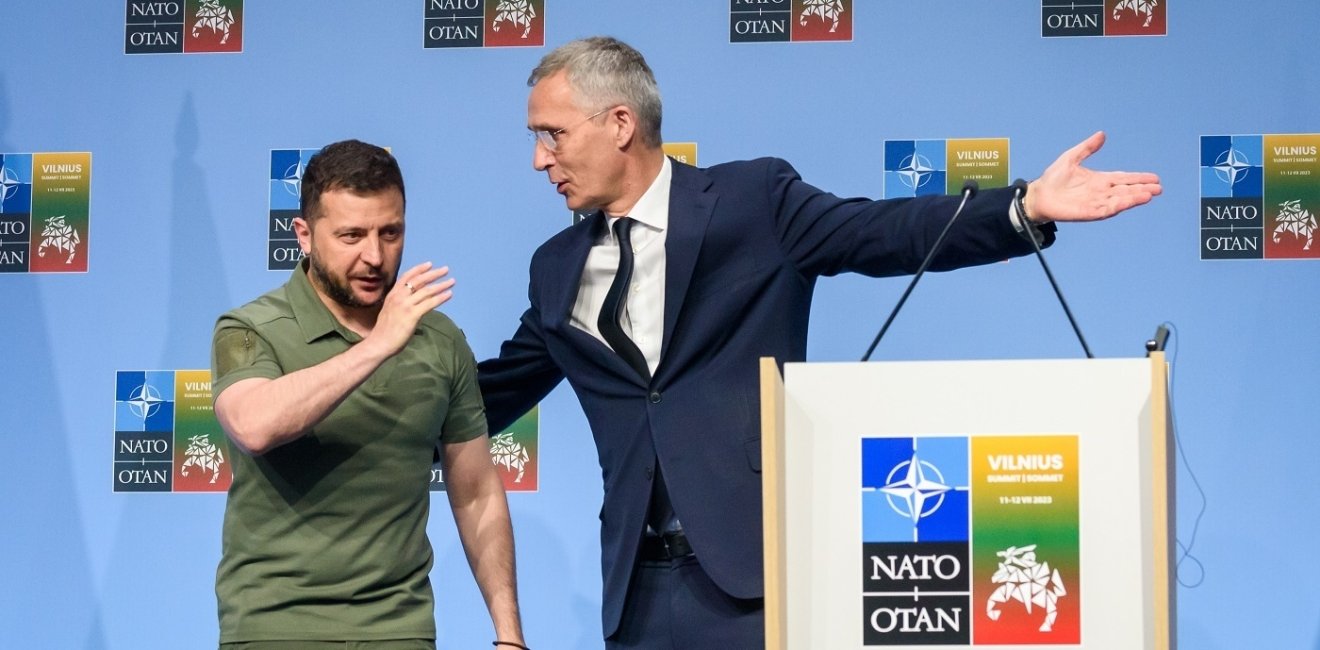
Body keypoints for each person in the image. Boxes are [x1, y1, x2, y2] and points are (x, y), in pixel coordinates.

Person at [476, 37, 1161, 649]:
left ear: (620, 123)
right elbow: (490, 393)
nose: (540, 159)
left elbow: (884, 232)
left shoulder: (752, 202)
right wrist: (380, 371)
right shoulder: (556, 265)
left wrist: (1022, 207)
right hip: (637, 596)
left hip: (757, 583)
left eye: (552, 134)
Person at [210, 139, 525, 650]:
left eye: (390, 233)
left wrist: (509, 636)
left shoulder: (440, 340)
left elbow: (475, 492)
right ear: (305, 236)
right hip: (274, 628)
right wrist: (377, 345)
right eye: (352, 235)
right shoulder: (251, 329)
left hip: (401, 631)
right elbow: (254, 424)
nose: (375, 256)